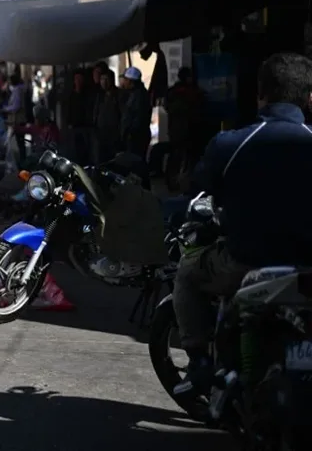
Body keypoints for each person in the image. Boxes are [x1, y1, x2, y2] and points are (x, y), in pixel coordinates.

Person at [173, 52, 312, 396]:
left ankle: (200, 364)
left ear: (260, 95)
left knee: (188, 272)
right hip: (307, 268)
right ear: (309, 98)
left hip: (245, 263)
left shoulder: (231, 144)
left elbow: (195, 193)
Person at [164, 66, 204, 191]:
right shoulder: (185, 92)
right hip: (184, 130)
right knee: (181, 157)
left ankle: (178, 182)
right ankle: (177, 182)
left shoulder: (176, 92)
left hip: (182, 130)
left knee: (181, 157)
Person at [119, 67, 152, 162]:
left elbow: (138, 117)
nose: (123, 82)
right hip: (135, 135)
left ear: (130, 81)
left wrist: (130, 132)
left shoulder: (139, 96)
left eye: (125, 79)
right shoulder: (135, 94)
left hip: (136, 137)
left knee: (136, 162)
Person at [93, 69, 122, 164]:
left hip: (114, 134)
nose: (104, 82)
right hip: (101, 133)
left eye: (106, 79)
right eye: (102, 79)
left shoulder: (119, 94)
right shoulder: (99, 95)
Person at [64, 69, 93, 164]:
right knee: (75, 151)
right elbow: (68, 110)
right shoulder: (71, 95)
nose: (78, 81)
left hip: (86, 127)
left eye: (80, 79)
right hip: (74, 127)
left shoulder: (88, 95)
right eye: (77, 79)